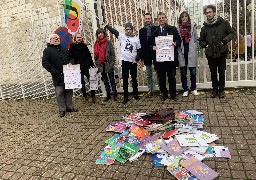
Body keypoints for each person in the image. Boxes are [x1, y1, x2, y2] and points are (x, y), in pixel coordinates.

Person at [199, 5, 235, 98]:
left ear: (214, 12)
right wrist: (205, 45)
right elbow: (201, 40)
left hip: (221, 52)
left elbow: (231, 33)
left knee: (222, 72)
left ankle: (221, 90)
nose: (208, 14)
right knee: (213, 73)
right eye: (206, 13)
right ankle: (214, 89)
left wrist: (224, 41)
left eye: (210, 12)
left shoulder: (223, 23)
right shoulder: (204, 28)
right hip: (211, 54)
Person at [102, 22, 141, 104]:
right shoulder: (122, 37)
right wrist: (107, 26)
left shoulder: (136, 39)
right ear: (125, 30)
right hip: (125, 62)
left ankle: (136, 95)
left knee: (134, 79)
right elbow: (114, 31)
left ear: (132, 30)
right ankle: (126, 97)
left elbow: (139, 50)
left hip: (133, 62)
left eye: (129, 29)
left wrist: (137, 59)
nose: (128, 31)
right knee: (125, 79)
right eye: (127, 29)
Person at [42, 34, 77, 117]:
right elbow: (45, 63)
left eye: (57, 38)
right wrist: (54, 71)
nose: (56, 39)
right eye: (54, 38)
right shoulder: (47, 50)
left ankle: (69, 107)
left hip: (68, 74)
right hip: (57, 75)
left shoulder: (64, 49)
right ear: (50, 40)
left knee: (69, 91)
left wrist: (71, 63)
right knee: (59, 92)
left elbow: (71, 58)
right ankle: (62, 109)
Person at [150, 12, 182, 101]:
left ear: (166, 19)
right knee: (161, 78)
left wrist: (175, 43)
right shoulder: (154, 31)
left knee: (172, 77)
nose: (161, 19)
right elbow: (150, 44)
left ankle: (173, 94)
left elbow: (179, 40)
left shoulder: (172, 29)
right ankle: (164, 94)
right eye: (159, 18)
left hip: (170, 58)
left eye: (163, 18)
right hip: (159, 59)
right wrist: (153, 47)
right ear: (157, 20)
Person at [177, 11, 199, 97]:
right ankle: (185, 89)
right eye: (182, 17)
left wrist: (194, 47)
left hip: (191, 51)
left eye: (186, 16)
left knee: (193, 72)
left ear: (188, 17)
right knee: (183, 72)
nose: (184, 18)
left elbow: (196, 38)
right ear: (180, 18)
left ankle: (193, 88)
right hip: (181, 51)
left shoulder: (192, 27)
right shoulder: (177, 28)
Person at [69, 33, 96, 103]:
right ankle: (85, 97)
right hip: (78, 67)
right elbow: (70, 57)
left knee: (92, 81)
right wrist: (73, 64)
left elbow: (89, 56)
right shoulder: (72, 47)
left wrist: (92, 64)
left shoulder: (84, 46)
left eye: (80, 37)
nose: (79, 38)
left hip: (86, 66)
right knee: (82, 83)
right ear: (75, 38)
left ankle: (93, 95)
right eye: (78, 37)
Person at [94, 28, 117, 101]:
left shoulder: (108, 42)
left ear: (104, 34)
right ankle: (108, 94)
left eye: (101, 33)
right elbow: (95, 56)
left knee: (112, 80)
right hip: (101, 65)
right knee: (105, 81)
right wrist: (97, 64)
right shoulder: (96, 44)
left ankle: (115, 94)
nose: (100, 34)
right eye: (98, 33)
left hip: (109, 64)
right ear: (97, 35)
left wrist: (111, 64)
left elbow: (113, 55)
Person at [139, 13, 157, 97]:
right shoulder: (141, 31)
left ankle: (161, 88)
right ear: (144, 19)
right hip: (146, 54)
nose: (147, 20)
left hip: (156, 54)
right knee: (149, 74)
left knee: (158, 72)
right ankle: (151, 90)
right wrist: (141, 57)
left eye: (149, 18)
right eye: (146, 18)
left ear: (151, 19)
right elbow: (141, 44)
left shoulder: (156, 29)